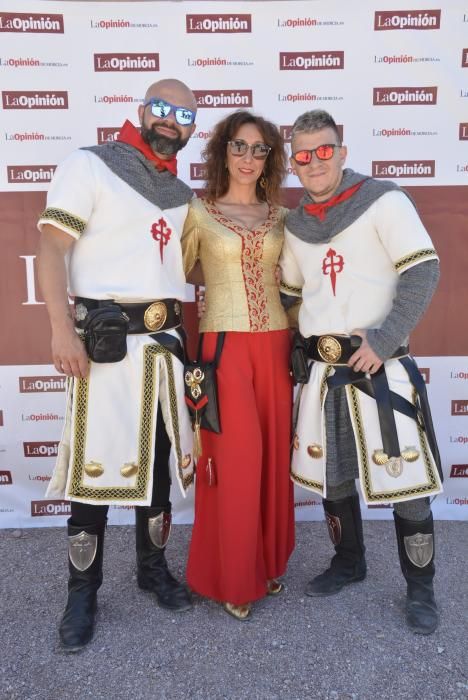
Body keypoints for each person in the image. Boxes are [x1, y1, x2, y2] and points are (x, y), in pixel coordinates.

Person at [36, 78, 198, 651]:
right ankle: (83, 592)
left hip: (164, 348)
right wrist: (61, 329)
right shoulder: (90, 164)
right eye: (161, 108)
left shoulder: (183, 194)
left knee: (155, 470)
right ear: (140, 111)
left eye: (184, 114)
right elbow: (52, 247)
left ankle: (152, 571)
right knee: (95, 475)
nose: (170, 120)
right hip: (104, 344)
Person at [279, 109, 443, 635]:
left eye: (324, 151)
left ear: (342, 152)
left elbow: (422, 269)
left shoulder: (384, 200)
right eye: (303, 156)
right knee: (334, 476)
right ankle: (349, 561)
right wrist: (301, 338)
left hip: (380, 367)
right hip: (325, 374)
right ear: (293, 165)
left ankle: (421, 588)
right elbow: (288, 292)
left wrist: (384, 336)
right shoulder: (295, 225)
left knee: (407, 483)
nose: (315, 163)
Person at [181, 110, 295, 620]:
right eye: (239, 146)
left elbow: (294, 284)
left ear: (269, 158)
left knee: (271, 457)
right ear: (222, 152)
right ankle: (232, 577)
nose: (249, 157)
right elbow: (171, 274)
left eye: (260, 149)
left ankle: (267, 561)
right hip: (223, 348)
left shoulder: (282, 216)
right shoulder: (198, 213)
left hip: (275, 344)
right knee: (235, 462)